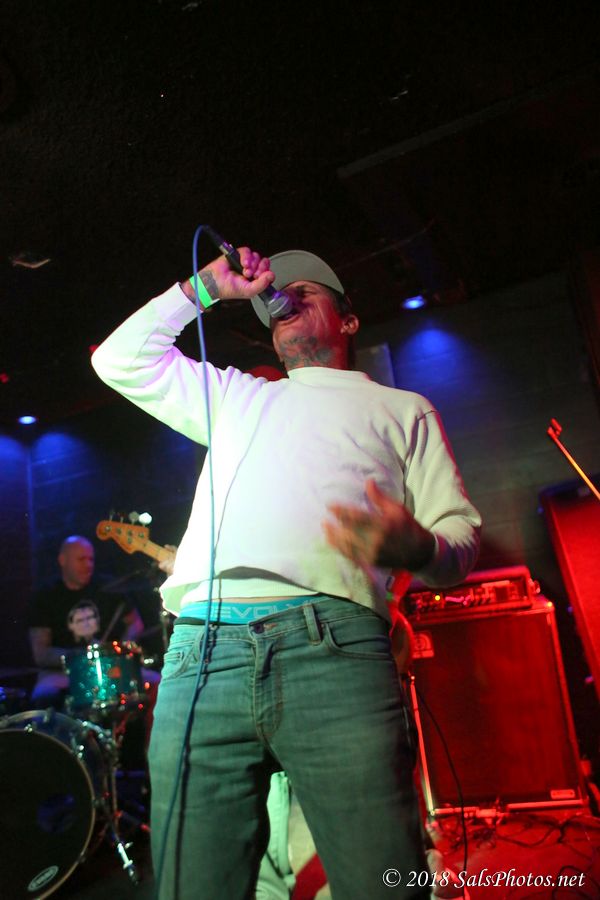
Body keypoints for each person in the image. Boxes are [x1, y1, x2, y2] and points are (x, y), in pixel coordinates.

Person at [92, 245, 481, 899]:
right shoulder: (239, 396)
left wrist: (418, 548)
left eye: (310, 291)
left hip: (333, 647)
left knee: (385, 883)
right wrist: (203, 288)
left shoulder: (403, 409)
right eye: (282, 295)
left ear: (349, 321)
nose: (288, 297)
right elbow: (118, 361)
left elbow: (461, 540)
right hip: (203, 651)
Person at [27, 534, 146, 708]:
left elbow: (136, 624)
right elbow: (41, 653)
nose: (88, 565)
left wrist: (118, 653)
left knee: (157, 683)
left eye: (91, 559)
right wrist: (82, 657)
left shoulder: (108, 588)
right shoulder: (45, 597)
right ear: (63, 560)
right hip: (62, 673)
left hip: (109, 667)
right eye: (81, 559)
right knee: (44, 695)